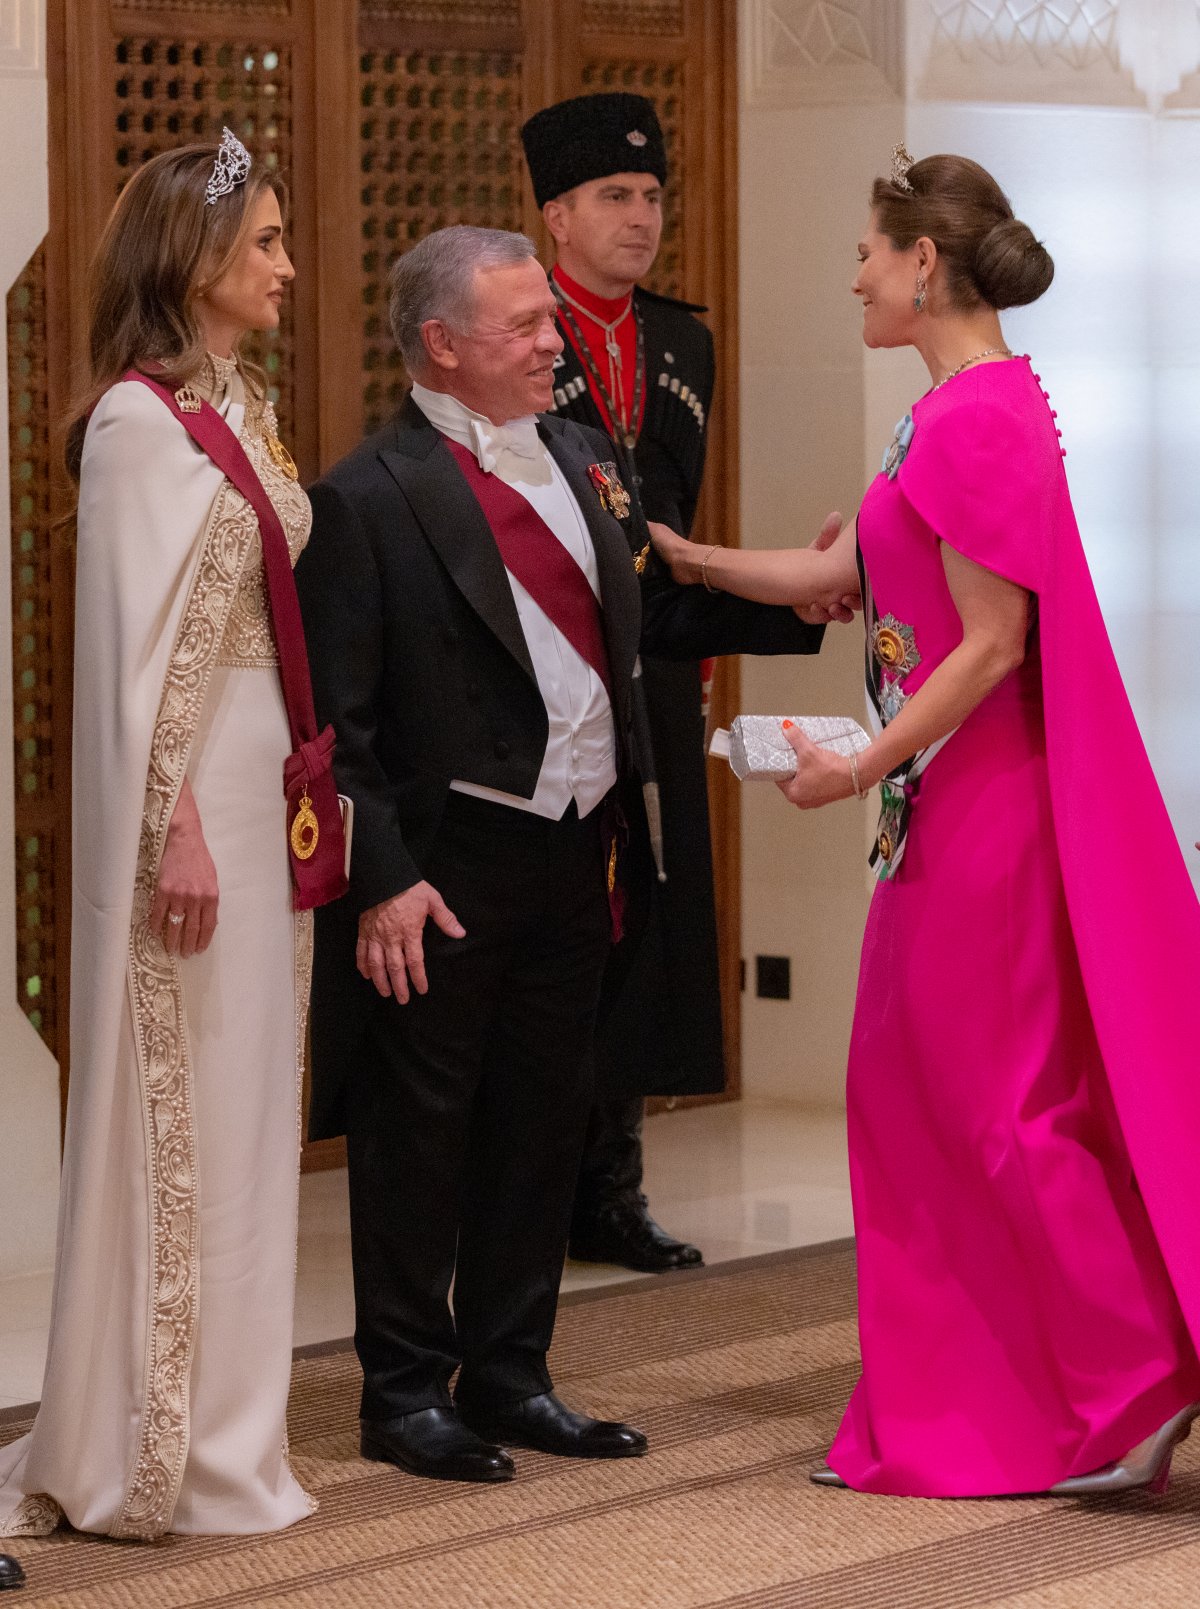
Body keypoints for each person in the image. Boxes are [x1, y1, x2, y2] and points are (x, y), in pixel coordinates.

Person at [650, 147, 1200, 1497]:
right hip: (940, 802)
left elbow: (994, 643)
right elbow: (843, 570)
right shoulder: (950, 411)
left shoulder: (978, 416)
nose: (852, 276)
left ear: (921, 262)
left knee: (1001, 1109)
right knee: (915, 1096)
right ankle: (1002, 1397)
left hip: (982, 808)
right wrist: (686, 557)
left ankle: (1133, 1381)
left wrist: (860, 761)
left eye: (865, 252)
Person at [295, 224, 837, 1485]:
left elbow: (650, 615)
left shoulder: (589, 457)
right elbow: (335, 725)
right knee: (420, 1133)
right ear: (443, 344)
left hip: (579, 847)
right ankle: (402, 1392)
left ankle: (512, 1371)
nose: (555, 343)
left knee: (542, 1120)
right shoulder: (367, 495)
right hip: (444, 863)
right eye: (528, 324)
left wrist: (801, 603)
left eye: (550, 319)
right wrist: (382, 877)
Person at [0, 130, 316, 1539]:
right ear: (193, 260)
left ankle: (234, 1437)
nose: (286, 267)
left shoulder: (241, 405)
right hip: (187, 806)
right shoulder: (139, 422)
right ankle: (154, 1447)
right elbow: (133, 657)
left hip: (260, 784)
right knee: (185, 1105)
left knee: (250, 1108)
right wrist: (173, 825)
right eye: (265, 243)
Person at [521, 92, 842, 1273]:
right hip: (543, 668)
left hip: (654, 658)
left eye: (653, 195)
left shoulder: (681, 342)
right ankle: (530, 1190)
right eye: (615, 196)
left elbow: (677, 529)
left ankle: (613, 1188)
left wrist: (740, 616)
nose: (642, 217)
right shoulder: (517, 328)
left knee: (646, 919)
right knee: (556, 922)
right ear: (557, 215)